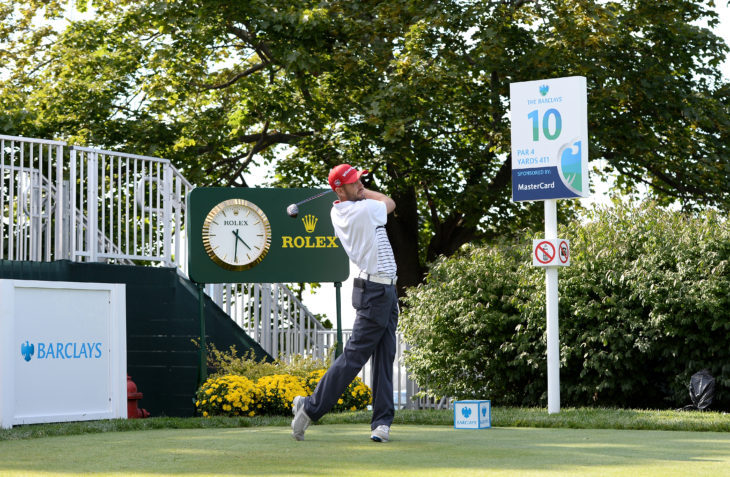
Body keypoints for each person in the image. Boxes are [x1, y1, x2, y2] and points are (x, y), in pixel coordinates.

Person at [291, 163, 399, 443]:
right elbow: (389, 201)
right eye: (354, 182)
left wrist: (356, 191)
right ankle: (310, 408)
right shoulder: (361, 210)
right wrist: (364, 193)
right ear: (339, 190)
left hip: (385, 289)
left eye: (360, 180)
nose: (361, 184)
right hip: (375, 290)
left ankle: (382, 422)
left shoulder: (339, 209)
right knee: (354, 357)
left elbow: (366, 198)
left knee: (385, 356)